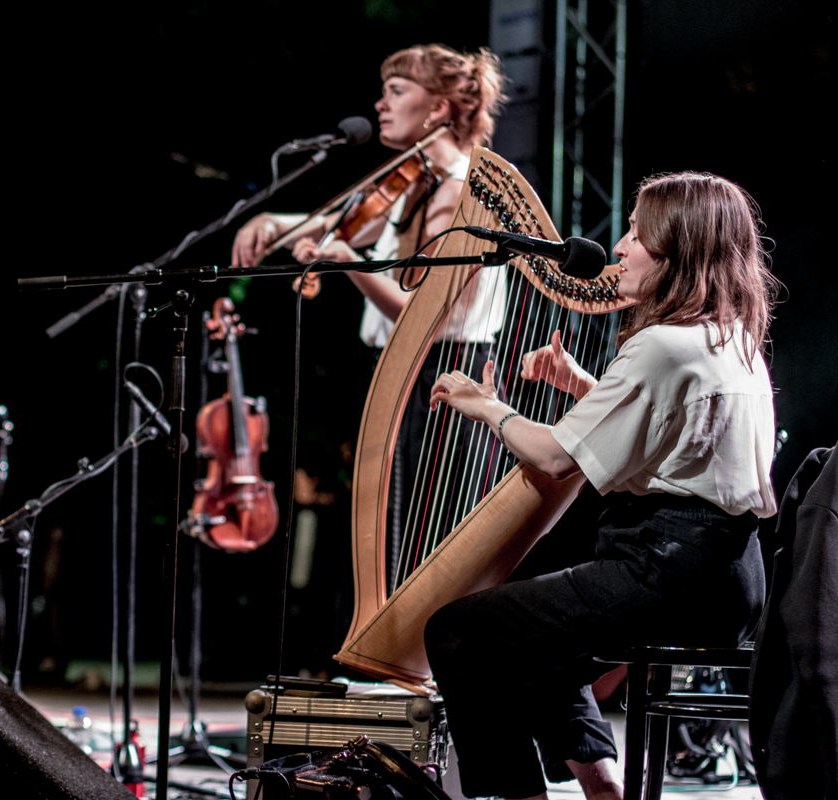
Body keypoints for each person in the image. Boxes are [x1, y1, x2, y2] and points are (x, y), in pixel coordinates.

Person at [424, 172, 778, 800]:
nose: (617, 246)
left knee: (460, 631)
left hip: (667, 573)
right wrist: (585, 387)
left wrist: (484, 405)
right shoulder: (732, 341)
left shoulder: (661, 345)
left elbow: (556, 457)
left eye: (638, 234)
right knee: (538, 637)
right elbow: (677, 437)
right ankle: (602, 789)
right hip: (733, 580)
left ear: (679, 249)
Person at [232, 43, 509, 549]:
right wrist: (271, 221)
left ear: (438, 109)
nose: (380, 104)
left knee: (425, 537)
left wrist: (346, 259)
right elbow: (339, 221)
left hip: (447, 378)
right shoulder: (409, 181)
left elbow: (416, 314)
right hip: (405, 372)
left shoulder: (457, 192)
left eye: (396, 91)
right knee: (396, 534)